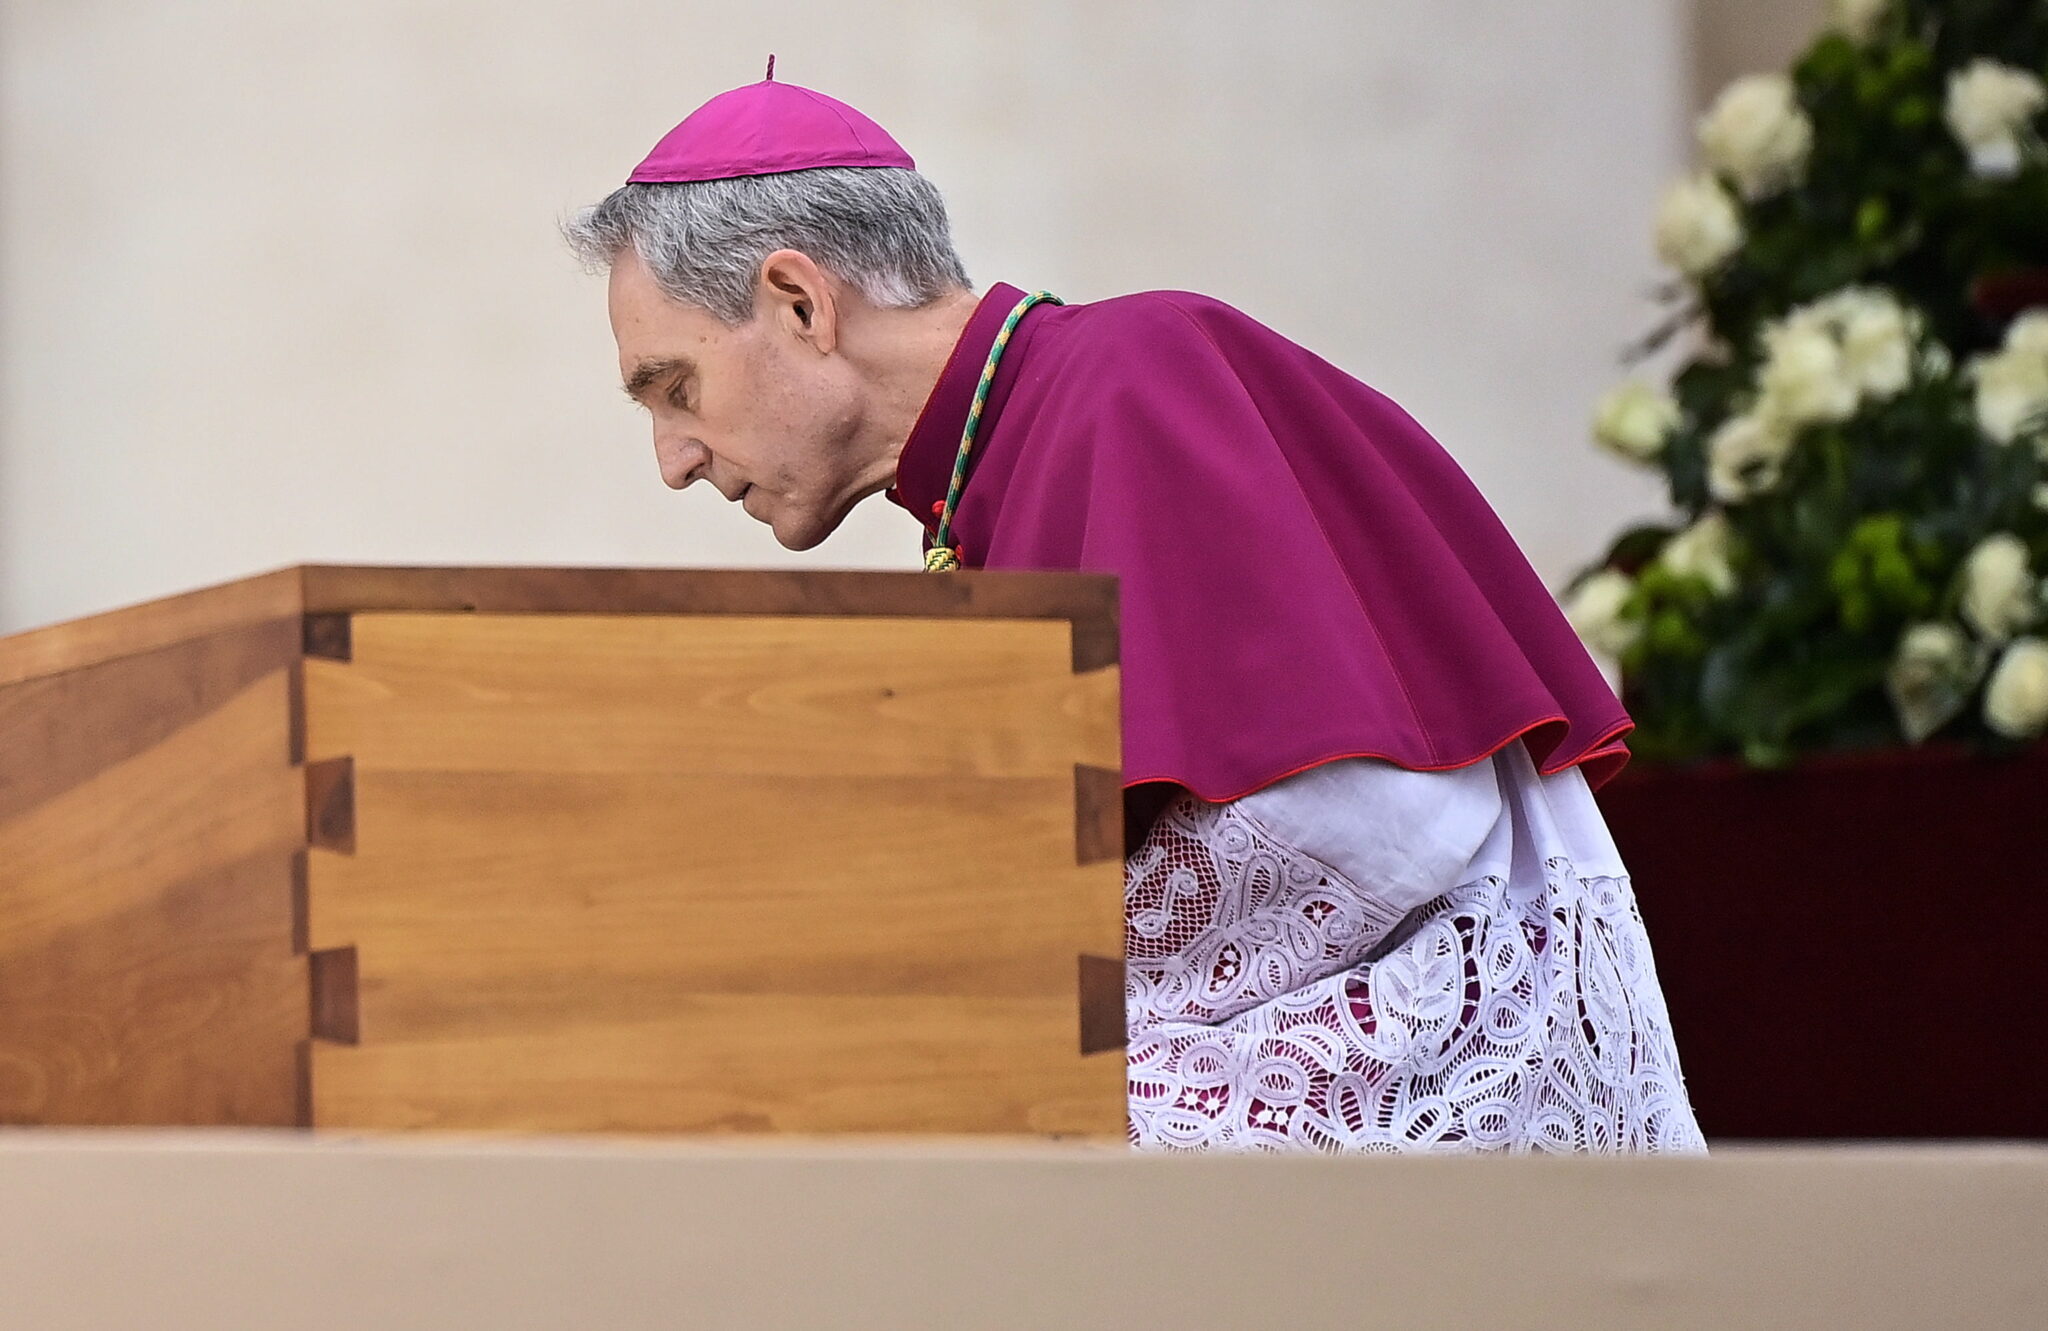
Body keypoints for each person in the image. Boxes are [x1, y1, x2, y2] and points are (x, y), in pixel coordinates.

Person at [564, 66, 1704, 1153]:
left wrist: (941, 993)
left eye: (676, 388)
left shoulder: (1138, 380)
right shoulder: (980, 487)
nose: (673, 459)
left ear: (800, 301)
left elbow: (1367, 824)